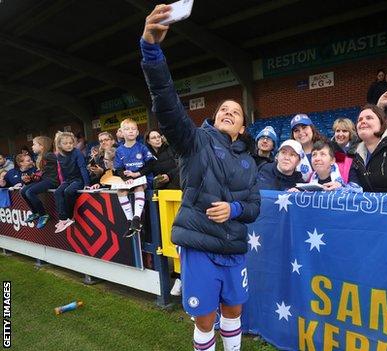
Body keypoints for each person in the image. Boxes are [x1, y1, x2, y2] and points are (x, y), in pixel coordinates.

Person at [141, 6, 261, 351]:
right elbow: (166, 102)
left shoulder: (250, 162)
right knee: (206, 318)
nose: (227, 112)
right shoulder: (193, 141)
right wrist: (151, 49)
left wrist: (235, 209)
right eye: (223, 108)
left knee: (234, 310)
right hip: (200, 247)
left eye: (235, 111)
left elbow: (254, 207)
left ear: (241, 128)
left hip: (235, 248)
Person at [113, 118, 156, 237]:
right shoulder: (119, 150)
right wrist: (127, 178)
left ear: (137, 132)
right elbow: (119, 168)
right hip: (129, 180)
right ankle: (130, 221)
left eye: (133, 129)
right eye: (127, 129)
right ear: (121, 132)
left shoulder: (141, 147)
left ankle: (137, 218)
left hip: (141, 178)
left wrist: (137, 174)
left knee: (139, 187)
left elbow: (151, 164)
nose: (131, 131)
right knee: (120, 191)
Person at [53, 132, 90, 233]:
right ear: (60, 145)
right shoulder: (59, 155)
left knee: (68, 191)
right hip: (68, 180)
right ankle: (63, 219)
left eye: (70, 143)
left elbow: (83, 168)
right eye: (65, 143)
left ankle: (69, 217)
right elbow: (61, 171)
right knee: (57, 192)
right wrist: (62, 183)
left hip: (78, 179)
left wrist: (87, 184)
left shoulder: (77, 152)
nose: (69, 145)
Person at [21, 136, 59, 229]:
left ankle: (43, 214)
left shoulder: (49, 155)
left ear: (42, 146)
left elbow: (60, 162)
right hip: (44, 180)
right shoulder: (41, 157)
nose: (32, 146)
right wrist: (32, 178)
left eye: (34, 144)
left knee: (30, 192)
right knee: (23, 191)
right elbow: (43, 172)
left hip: (51, 181)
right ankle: (36, 212)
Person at [290, 113, 326, 182]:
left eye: (304, 127)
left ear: (312, 128)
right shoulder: (291, 155)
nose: (301, 132)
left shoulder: (328, 146)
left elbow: (343, 167)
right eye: (296, 130)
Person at [330, 118, 357, 183]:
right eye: (338, 131)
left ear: (350, 134)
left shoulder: (357, 149)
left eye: (344, 131)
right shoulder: (328, 148)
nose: (340, 134)